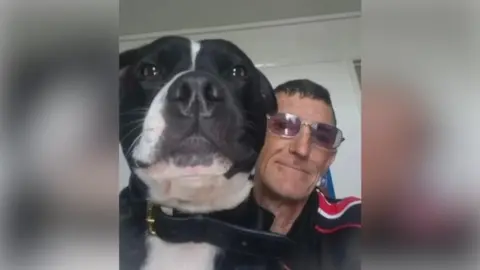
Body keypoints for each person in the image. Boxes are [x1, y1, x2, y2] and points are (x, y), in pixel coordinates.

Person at [251, 79, 361, 269]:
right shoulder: (204, 222)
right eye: (283, 125)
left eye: (323, 136)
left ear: (330, 158)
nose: (302, 149)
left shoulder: (357, 224)